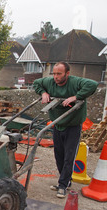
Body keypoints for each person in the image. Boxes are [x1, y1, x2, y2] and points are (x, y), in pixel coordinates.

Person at [33, 61, 98, 198]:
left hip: (73, 124)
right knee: (59, 154)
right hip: (57, 123)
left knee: (69, 156)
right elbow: (37, 83)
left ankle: (63, 184)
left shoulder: (75, 82)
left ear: (67, 74)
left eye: (59, 74)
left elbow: (92, 84)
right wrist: (43, 93)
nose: (56, 77)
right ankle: (65, 182)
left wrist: (76, 97)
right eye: (54, 73)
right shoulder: (50, 82)